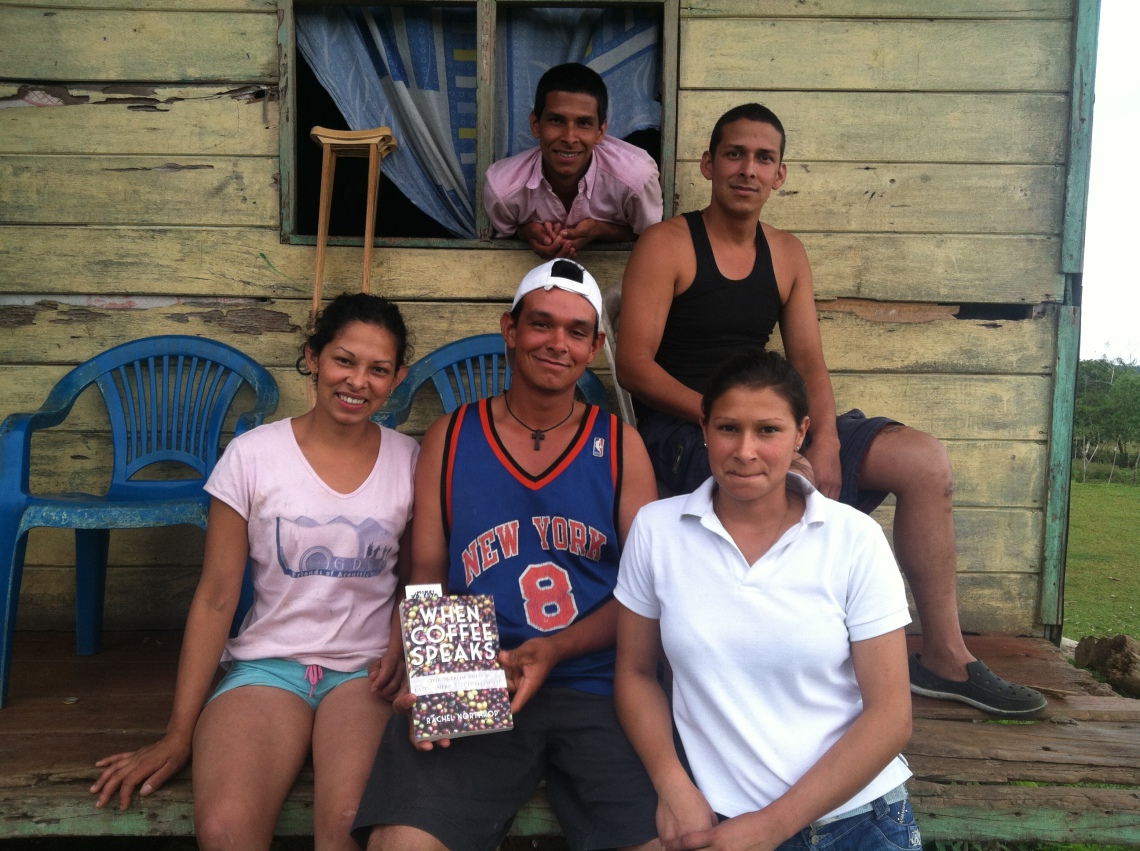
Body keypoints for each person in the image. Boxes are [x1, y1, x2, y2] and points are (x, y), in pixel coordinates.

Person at [615, 102, 1046, 717]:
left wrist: (822, 441)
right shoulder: (669, 243)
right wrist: (729, 423)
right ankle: (798, 675)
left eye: (764, 158)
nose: (748, 169)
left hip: (776, 421)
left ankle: (946, 658)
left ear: (780, 175)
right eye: (734, 154)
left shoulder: (787, 254)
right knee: (796, 482)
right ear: (709, 164)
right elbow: (634, 365)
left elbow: (810, 362)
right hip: (686, 430)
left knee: (922, 461)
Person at [90, 294, 419, 851]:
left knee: (346, 822)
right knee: (224, 828)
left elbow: (416, 581)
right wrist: (178, 732)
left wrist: (401, 654)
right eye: (344, 360)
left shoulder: (410, 459)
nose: (357, 381)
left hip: (365, 676)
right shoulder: (252, 455)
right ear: (313, 357)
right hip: (267, 669)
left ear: (396, 378)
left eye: (377, 369)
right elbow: (217, 598)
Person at [352, 258, 661, 851]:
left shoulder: (620, 445)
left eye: (576, 331)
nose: (557, 343)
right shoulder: (451, 435)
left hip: (600, 684)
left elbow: (647, 594)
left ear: (596, 346)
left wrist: (555, 649)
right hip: (477, 671)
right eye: (541, 324)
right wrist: (432, 669)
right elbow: (425, 577)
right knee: (402, 845)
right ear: (510, 330)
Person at [614, 349, 919, 851]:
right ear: (704, 428)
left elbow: (891, 715)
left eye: (768, 431)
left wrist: (774, 827)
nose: (745, 450)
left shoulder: (854, 538)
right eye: (728, 428)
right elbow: (636, 673)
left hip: (860, 821)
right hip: (719, 821)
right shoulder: (658, 530)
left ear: (801, 433)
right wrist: (673, 785)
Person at [483, 62, 663, 259]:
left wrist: (600, 230)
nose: (569, 138)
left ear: (600, 131)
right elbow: (499, 245)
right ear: (535, 125)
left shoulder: (636, 179)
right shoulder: (503, 188)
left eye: (583, 123)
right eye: (556, 120)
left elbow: (651, 237)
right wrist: (526, 232)